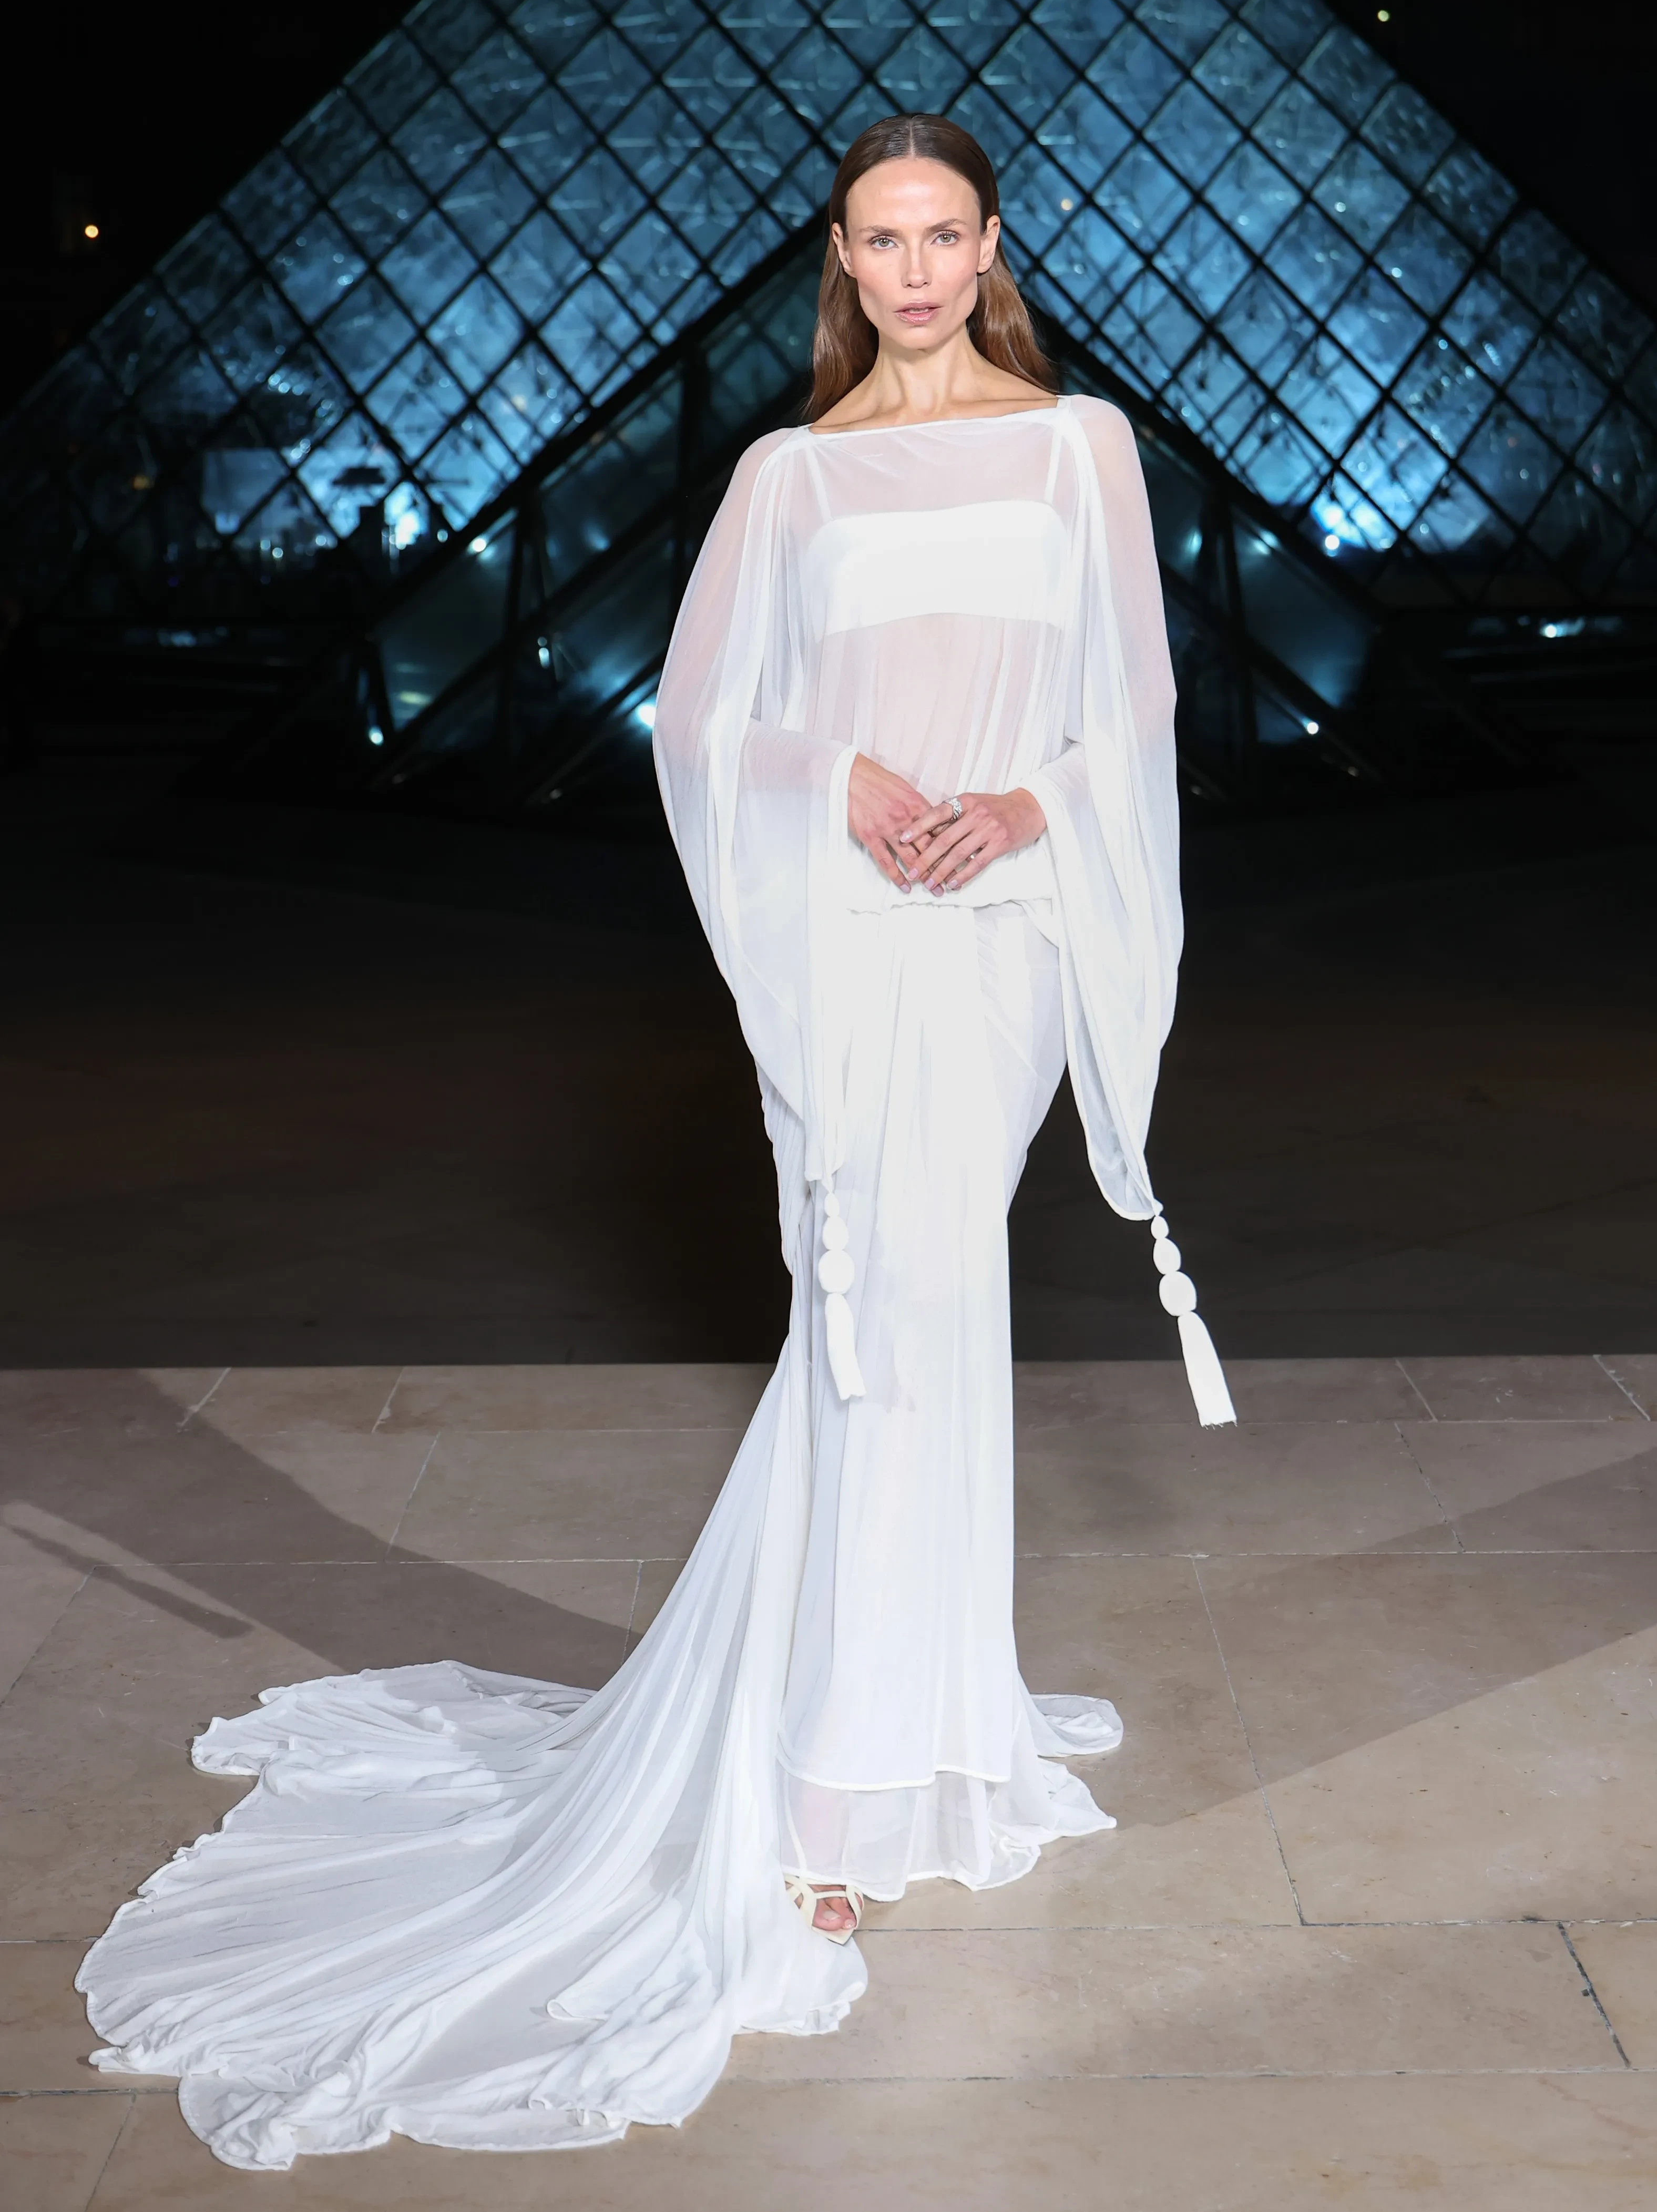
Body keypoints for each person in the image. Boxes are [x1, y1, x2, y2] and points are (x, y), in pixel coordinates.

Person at [74, 115, 1231, 2171]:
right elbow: (697, 721)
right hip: (858, 927)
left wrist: (1022, 813)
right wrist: (848, 772)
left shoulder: (1084, 450)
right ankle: (841, 1768)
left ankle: (915, 1709)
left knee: (919, 1312)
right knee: (879, 1316)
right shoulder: (789, 476)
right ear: (841, 259)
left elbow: (1132, 708)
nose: (911, 270)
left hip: (1003, 930)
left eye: (941, 234)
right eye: (877, 239)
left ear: (990, 246)